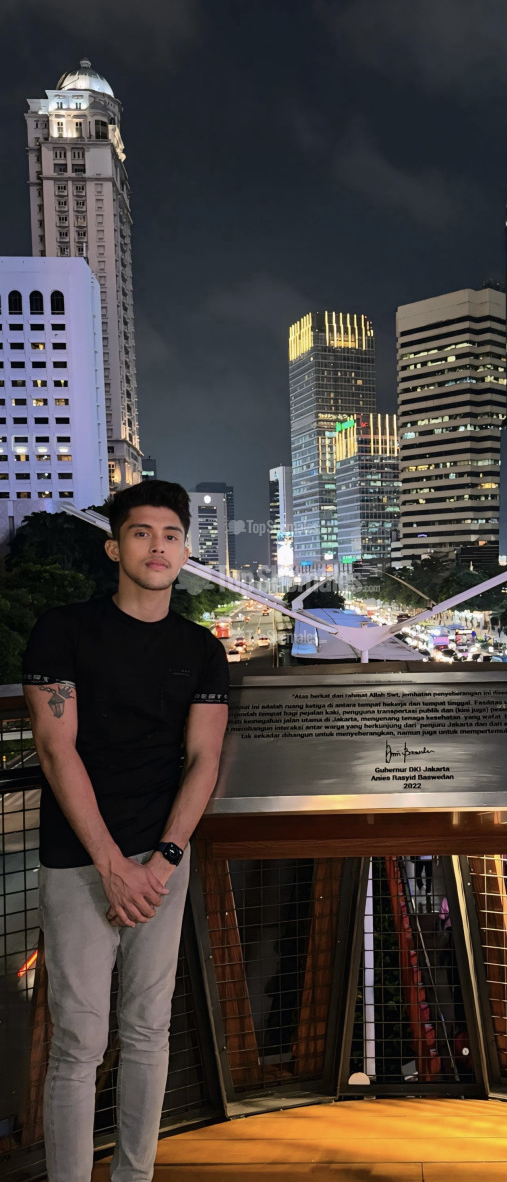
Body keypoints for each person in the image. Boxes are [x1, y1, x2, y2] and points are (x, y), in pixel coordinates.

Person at [22, 479, 229, 1182]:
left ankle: (134, 1176)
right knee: (79, 1039)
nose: (157, 546)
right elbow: (57, 750)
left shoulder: (200, 648)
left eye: (171, 535)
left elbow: (204, 759)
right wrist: (113, 865)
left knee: (147, 1029)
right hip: (79, 860)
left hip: (161, 859)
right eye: (141, 533)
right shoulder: (63, 630)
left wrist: (162, 860)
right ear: (115, 548)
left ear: (186, 551)